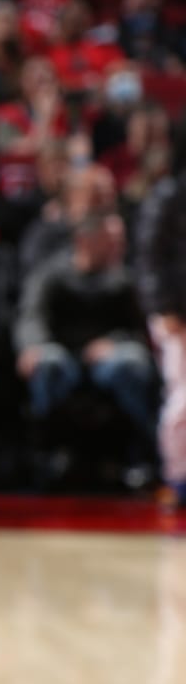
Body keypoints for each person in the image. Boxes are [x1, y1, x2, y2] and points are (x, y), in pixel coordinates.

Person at [17, 213, 155, 455]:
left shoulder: (123, 281)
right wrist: (33, 347)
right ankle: (47, 452)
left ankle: (139, 451)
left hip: (106, 362)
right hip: (63, 356)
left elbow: (142, 331)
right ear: (84, 241)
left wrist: (114, 342)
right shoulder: (52, 275)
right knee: (48, 363)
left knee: (131, 362)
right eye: (109, 241)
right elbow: (31, 317)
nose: (119, 248)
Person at [138, 168, 186, 501]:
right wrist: (165, 306)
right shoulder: (169, 195)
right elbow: (150, 258)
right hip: (177, 313)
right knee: (183, 397)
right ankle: (178, 477)